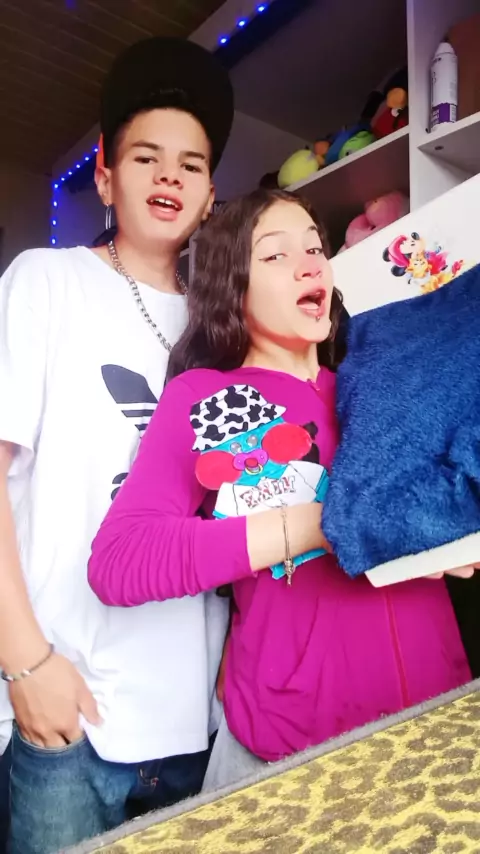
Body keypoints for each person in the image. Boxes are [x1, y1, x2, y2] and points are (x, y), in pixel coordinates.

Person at [88, 188, 475, 790]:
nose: (309, 264)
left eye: (316, 249)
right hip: (288, 749)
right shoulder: (204, 399)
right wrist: (331, 522)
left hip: (436, 723)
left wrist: (448, 536)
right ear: (233, 287)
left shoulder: (383, 383)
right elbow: (121, 561)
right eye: (275, 255)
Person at [0, 36, 233, 853]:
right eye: (145, 157)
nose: (169, 176)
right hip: (70, 720)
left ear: (210, 195)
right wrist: (26, 665)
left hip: (200, 728)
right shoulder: (45, 281)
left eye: (191, 164)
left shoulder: (225, 329)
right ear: (104, 176)